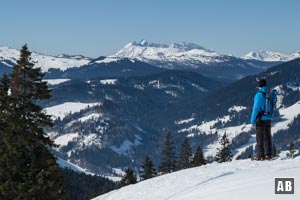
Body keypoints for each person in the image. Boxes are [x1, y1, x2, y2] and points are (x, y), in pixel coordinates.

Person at [250, 79, 272, 160]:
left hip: (260, 118)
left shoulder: (259, 95)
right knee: (268, 136)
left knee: (260, 137)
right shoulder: (269, 93)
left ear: (259, 86)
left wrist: (252, 121)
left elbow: (255, 109)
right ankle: (269, 154)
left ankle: (261, 155)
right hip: (268, 118)